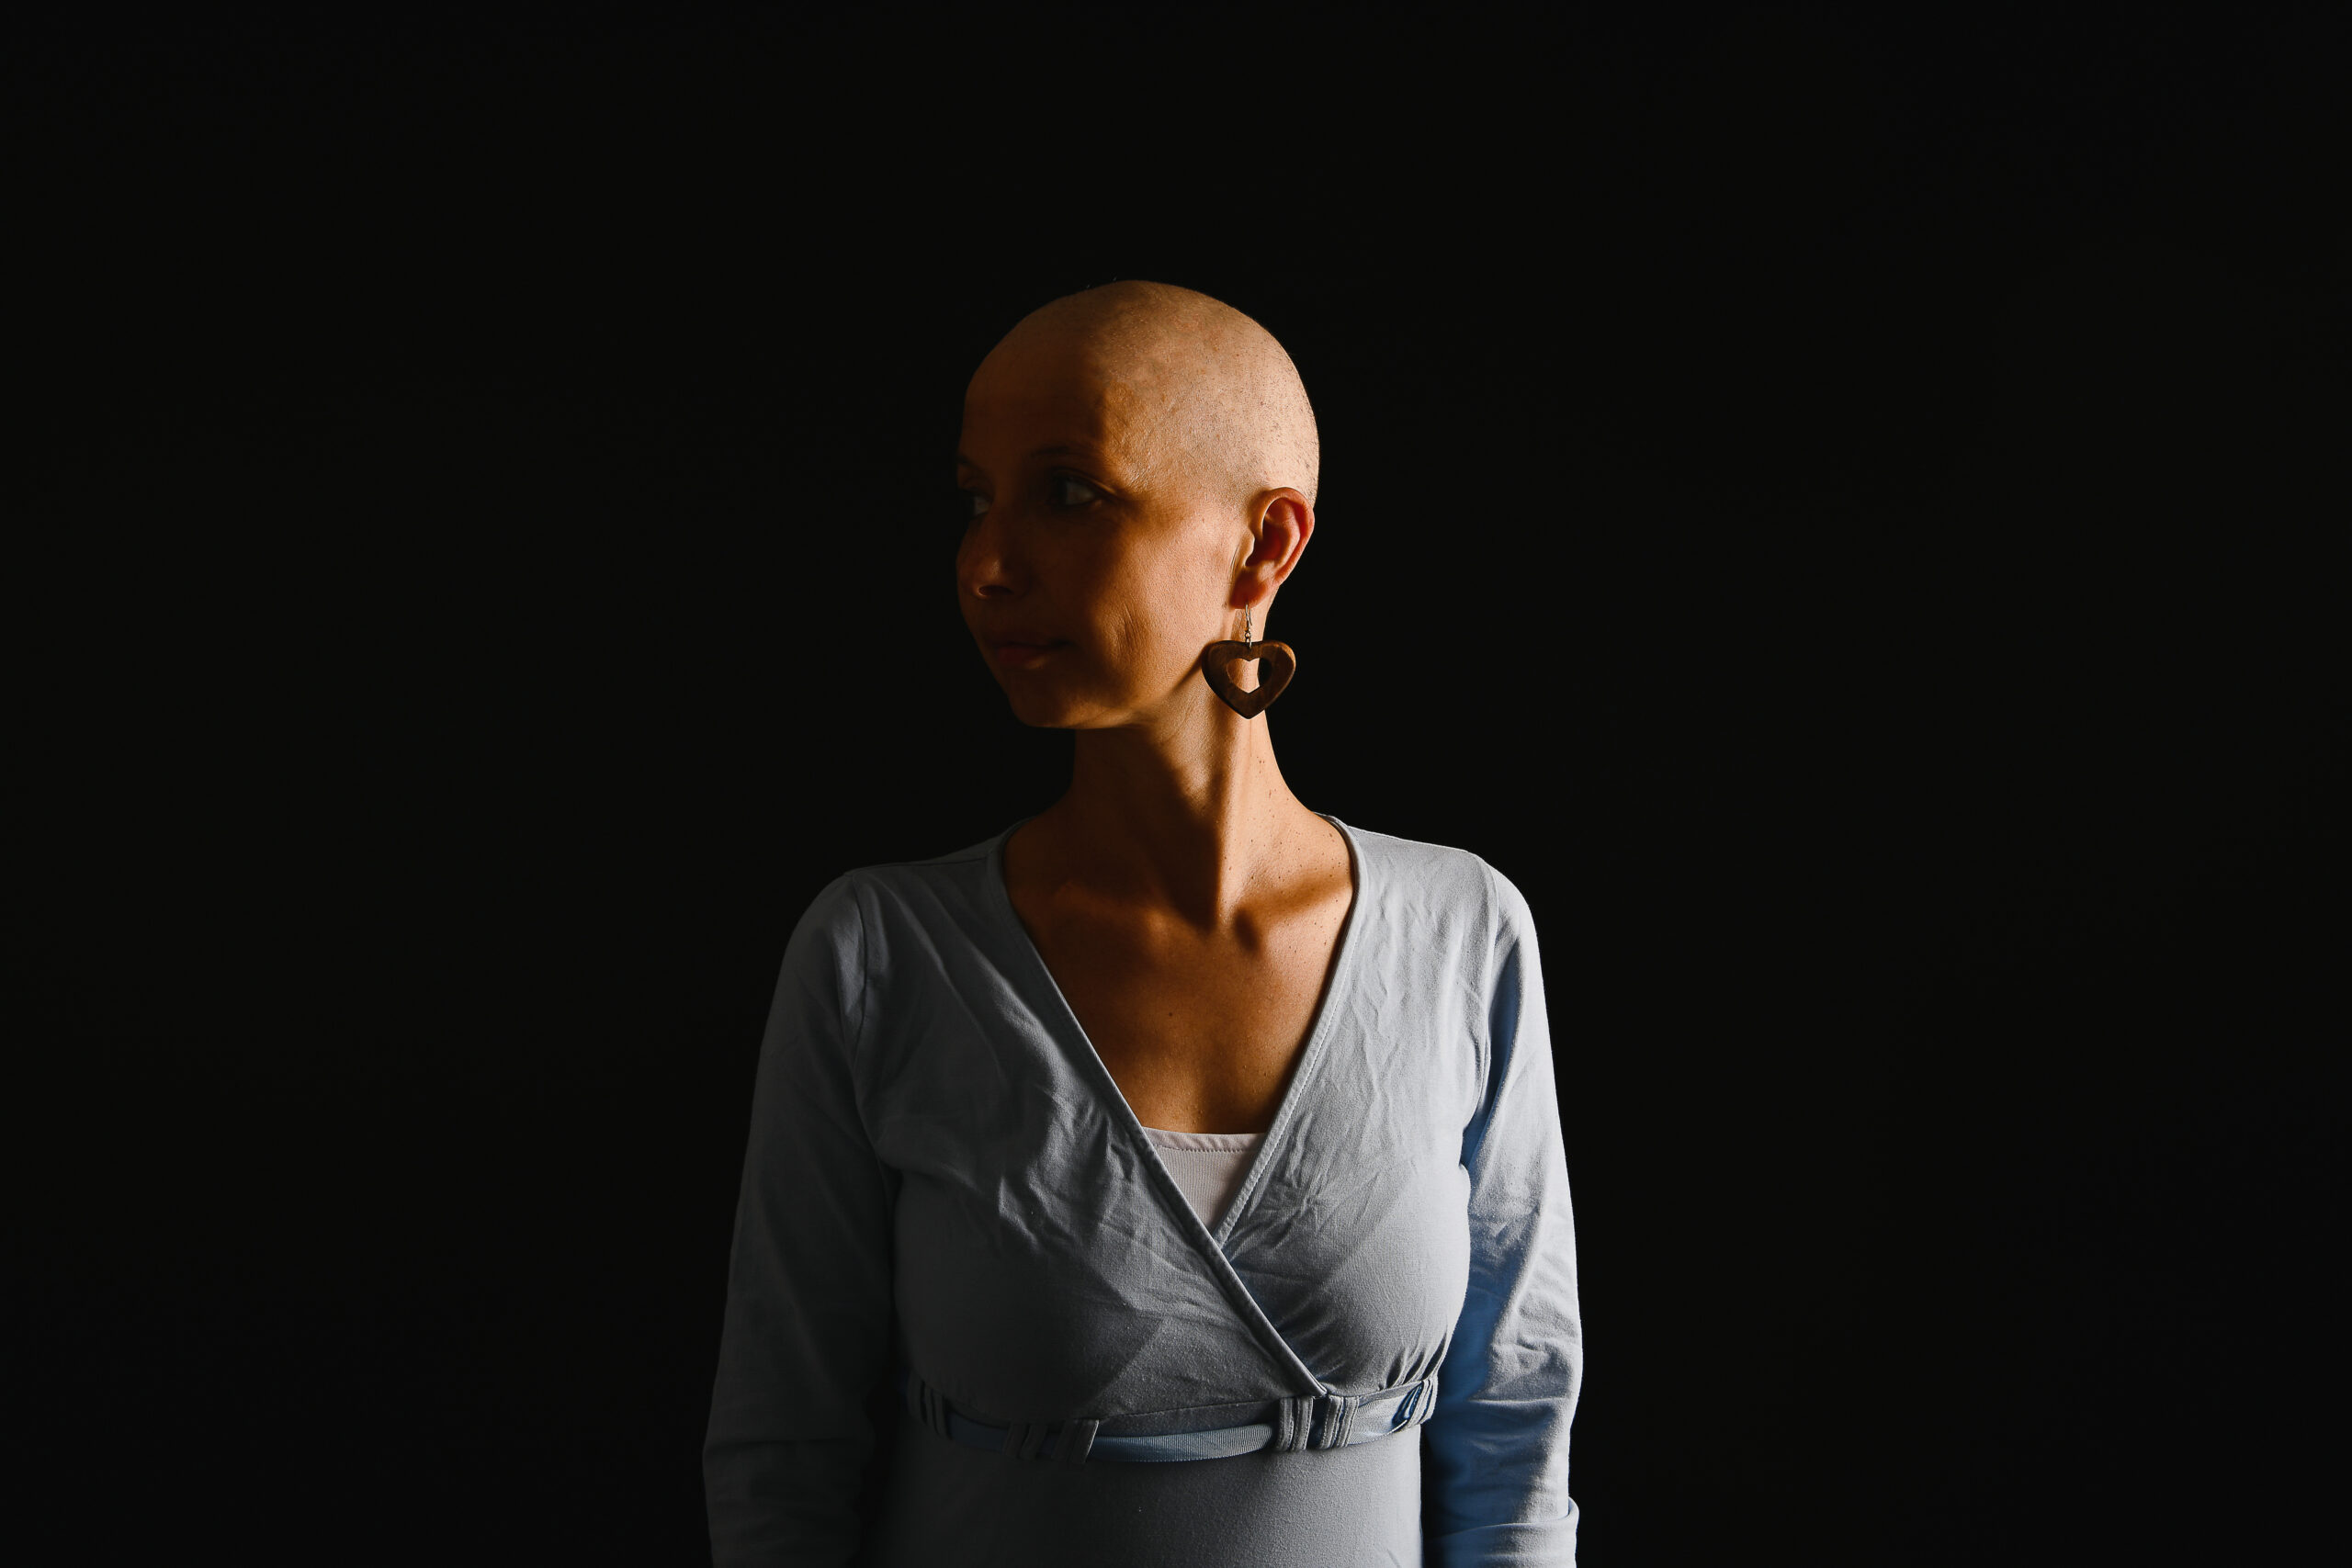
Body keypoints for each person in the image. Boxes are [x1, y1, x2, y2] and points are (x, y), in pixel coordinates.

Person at [704, 281, 1581, 1566]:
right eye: (975, 498)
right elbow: (781, 1460)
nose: (986, 564)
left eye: (1068, 493)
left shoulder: (1462, 935)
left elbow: (1516, 1439)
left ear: (1264, 546)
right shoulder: (881, 955)